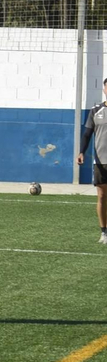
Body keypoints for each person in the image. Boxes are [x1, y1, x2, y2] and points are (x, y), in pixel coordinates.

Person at [75, 76, 107, 244]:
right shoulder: (96, 111)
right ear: (104, 90)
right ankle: (104, 233)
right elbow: (87, 134)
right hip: (101, 162)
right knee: (102, 196)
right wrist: (81, 152)